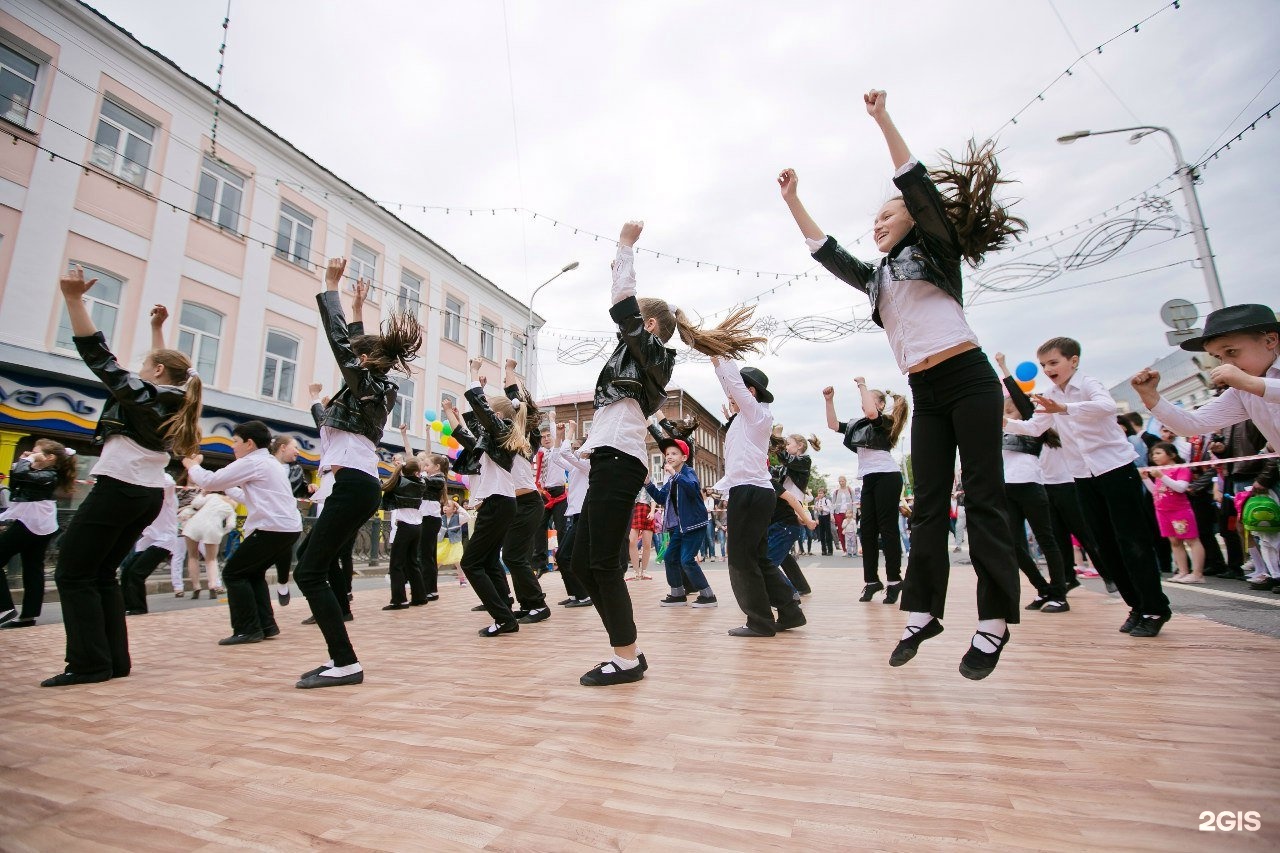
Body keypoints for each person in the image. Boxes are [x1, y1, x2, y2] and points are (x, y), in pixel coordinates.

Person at [780, 89, 1026, 679]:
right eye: (874, 222)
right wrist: (794, 201)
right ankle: (923, 613)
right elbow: (825, 252)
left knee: (985, 500)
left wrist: (882, 118)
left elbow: (914, 181)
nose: (877, 227)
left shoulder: (937, 248)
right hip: (927, 393)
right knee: (929, 507)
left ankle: (992, 624)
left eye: (886, 217)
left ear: (914, 218)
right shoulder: (876, 281)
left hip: (968, 378)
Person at [572, 220, 763, 685]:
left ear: (650, 324)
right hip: (609, 458)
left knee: (600, 565)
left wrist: (626, 246)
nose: (627, 323)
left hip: (619, 462)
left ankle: (627, 656)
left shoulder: (651, 352)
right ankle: (625, 650)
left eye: (638, 318)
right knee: (578, 563)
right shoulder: (642, 359)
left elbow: (621, 302)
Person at [42, 273, 202, 686]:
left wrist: (73, 299)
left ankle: (89, 663)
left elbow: (101, 360)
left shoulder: (151, 396)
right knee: (99, 574)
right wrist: (156, 329)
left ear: (158, 371)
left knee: (74, 574)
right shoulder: (172, 396)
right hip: (141, 492)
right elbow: (157, 366)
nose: (139, 369)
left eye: (146, 365)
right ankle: (111, 661)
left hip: (122, 489)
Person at [294, 262, 421, 688]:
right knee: (312, 566)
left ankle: (345, 662)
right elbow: (356, 345)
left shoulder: (368, 384)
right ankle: (342, 658)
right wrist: (358, 306)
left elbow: (342, 344)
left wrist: (331, 289)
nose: (349, 358)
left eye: (356, 355)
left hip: (352, 485)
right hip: (355, 485)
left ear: (363, 360)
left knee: (309, 572)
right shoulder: (371, 387)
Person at [1007, 337, 1170, 638]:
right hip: (1081, 475)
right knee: (1104, 543)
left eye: (1053, 362)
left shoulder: (1087, 385)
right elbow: (1033, 428)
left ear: (1074, 360)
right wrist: (1003, 422)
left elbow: (1106, 407)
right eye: (1044, 365)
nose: (1048, 369)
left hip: (1115, 468)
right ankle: (1136, 605)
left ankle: (1155, 607)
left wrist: (1065, 407)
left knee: (1131, 540)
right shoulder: (1051, 396)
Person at [184, 420, 303, 644]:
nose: (232, 446)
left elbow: (209, 480)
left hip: (272, 528)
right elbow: (249, 497)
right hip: (285, 527)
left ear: (249, 443)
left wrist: (192, 464)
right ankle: (266, 625)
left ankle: (248, 629)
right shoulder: (268, 464)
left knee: (233, 573)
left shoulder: (254, 461)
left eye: (235, 441)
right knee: (252, 573)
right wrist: (225, 486)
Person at [444, 368, 529, 637]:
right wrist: (450, 412)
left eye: (490, 413)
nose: (484, 419)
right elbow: (469, 435)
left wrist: (473, 374)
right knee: (489, 559)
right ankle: (504, 607)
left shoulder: (503, 431)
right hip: (500, 504)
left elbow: (481, 413)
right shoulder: (495, 440)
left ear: (499, 417)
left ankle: (503, 618)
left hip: (498, 504)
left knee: (471, 563)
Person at [993, 355, 1071, 613]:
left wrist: (1004, 367)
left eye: (1010, 410)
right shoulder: (999, 430)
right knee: (1014, 545)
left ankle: (1059, 593)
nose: (1006, 415)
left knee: (1046, 539)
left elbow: (1018, 396)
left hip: (1029, 486)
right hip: (1006, 489)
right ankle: (1042, 589)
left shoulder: (1029, 425)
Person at [824, 380, 908, 604]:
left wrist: (862, 385)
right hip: (869, 478)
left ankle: (894, 580)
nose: (865, 405)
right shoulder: (858, 425)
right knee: (867, 530)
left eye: (871, 399)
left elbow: (870, 411)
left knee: (887, 528)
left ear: (880, 404)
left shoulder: (885, 421)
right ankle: (872, 581)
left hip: (887, 476)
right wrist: (829, 400)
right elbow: (833, 425)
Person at [0, 441, 76, 628]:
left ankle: (4, 608)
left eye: (36, 452)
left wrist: (29, 460)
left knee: (31, 566)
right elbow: (17, 480)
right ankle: (28, 616)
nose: (30, 454)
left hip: (32, 522)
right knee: (33, 566)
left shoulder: (50, 474)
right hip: (36, 521)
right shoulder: (40, 472)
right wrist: (28, 460)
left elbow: (21, 474)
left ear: (50, 458)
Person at [646, 437, 717, 608]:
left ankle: (708, 596)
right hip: (679, 527)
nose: (669, 456)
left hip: (694, 524)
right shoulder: (671, 479)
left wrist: (674, 474)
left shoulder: (687, 472)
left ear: (684, 457)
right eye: (667, 454)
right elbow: (662, 498)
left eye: (674, 453)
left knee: (686, 560)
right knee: (670, 557)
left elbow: (693, 489)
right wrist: (648, 483)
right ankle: (677, 594)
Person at [1143, 442, 1206, 583]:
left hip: (1179, 511)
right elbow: (1156, 491)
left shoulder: (1180, 468)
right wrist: (1146, 479)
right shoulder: (1160, 470)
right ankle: (1183, 571)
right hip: (1162, 511)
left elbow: (1181, 488)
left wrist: (1161, 476)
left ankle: (1197, 574)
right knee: (1174, 541)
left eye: (1159, 453)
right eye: (1153, 454)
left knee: (1191, 540)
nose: (1155, 456)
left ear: (1172, 454)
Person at [119, 472, 178, 616]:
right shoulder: (143, 498)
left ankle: (138, 608)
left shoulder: (167, 497)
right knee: (126, 571)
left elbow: (169, 483)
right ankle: (126, 606)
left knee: (136, 572)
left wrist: (150, 471)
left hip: (165, 539)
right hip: (148, 539)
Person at [550, 420, 593, 607]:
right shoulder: (577, 467)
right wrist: (559, 436)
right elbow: (556, 458)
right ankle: (576, 595)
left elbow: (566, 453)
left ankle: (584, 595)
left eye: (582, 446)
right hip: (575, 515)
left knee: (566, 555)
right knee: (564, 556)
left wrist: (572, 430)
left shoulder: (589, 465)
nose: (579, 448)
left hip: (584, 515)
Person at [379, 448, 427, 610]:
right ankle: (420, 597)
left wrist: (397, 471)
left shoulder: (399, 482)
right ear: (417, 472)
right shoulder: (421, 484)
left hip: (405, 526)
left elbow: (386, 488)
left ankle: (399, 600)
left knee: (396, 564)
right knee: (412, 562)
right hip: (417, 527)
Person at [269, 434, 311, 606]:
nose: (298, 452)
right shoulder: (266, 465)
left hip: (286, 519)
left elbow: (302, 490)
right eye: (295, 447)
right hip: (265, 518)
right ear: (283, 447)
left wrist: (310, 489)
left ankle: (282, 582)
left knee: (284, 552)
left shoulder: (296, 470)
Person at [814, 488, 834, 556]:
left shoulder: (826, 500)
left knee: (828, 533)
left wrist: (823, 509)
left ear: (824, 494)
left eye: (821, 493)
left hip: (826, 516)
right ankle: (823, 550)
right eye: (819, 493)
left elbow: (830, 509)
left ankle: (830, 550)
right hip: (820, 517)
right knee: (821, 534)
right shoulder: (817, 501)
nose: (819, 494)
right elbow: (815, 511)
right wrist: (816, 518)